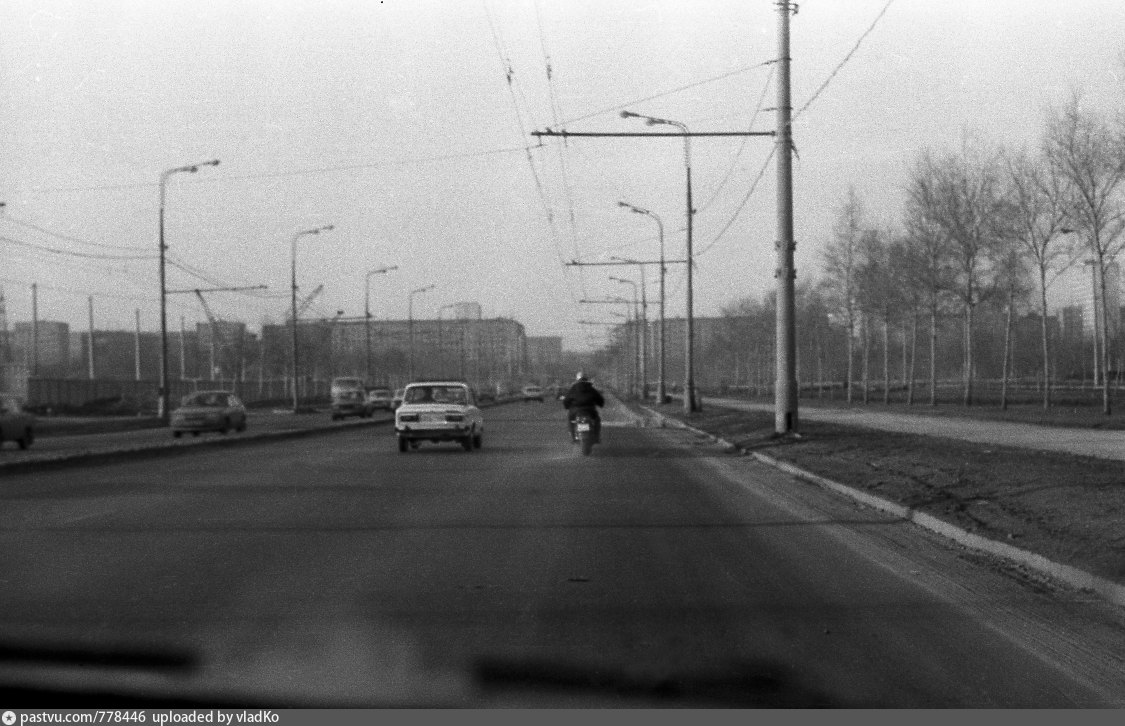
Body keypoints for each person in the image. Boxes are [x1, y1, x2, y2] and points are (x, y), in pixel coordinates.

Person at [562, 371, 605, 443]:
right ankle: (597, 437)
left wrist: (566, 406)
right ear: (586, 379)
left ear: (577, 379)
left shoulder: (573, 388)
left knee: (570, 420)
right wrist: (600, 404)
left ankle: (573, 438)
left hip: (575, 410)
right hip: (590, 410)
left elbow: (567, 399)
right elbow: (599, 398)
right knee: (597, 420)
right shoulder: (591, 388)